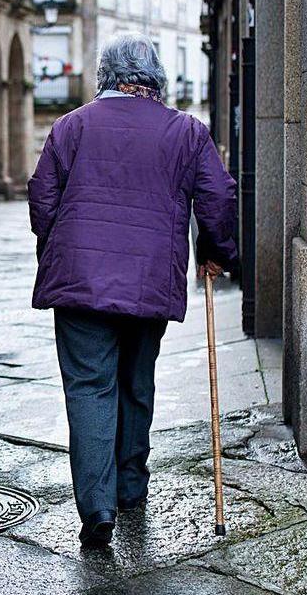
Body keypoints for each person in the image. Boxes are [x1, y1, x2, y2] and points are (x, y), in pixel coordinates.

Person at [27, 33, 237, 548]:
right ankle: (129, 486)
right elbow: (219, 195)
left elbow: (41, 200)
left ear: (106, 76)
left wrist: (59, 247)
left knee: (89, 388)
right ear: (156, 79)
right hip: (149, 281)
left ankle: (96, 507)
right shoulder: (186, 131)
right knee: (136, 381)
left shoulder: (70, 127)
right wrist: (216, 251)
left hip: (79, 283)